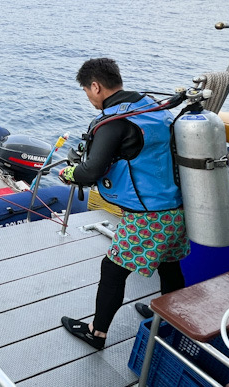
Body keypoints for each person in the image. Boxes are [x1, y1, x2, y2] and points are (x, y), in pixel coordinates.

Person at [58, 58, 189, 350]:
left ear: (96, 86)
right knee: (169, 265)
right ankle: (167, 319)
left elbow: (90, 171)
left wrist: (68, 173)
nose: (89, 97)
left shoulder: (113, 123)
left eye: (87, 91)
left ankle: (96, 332)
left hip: (148, 215)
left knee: (113, 269)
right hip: (177, 206)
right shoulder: (152, 109)